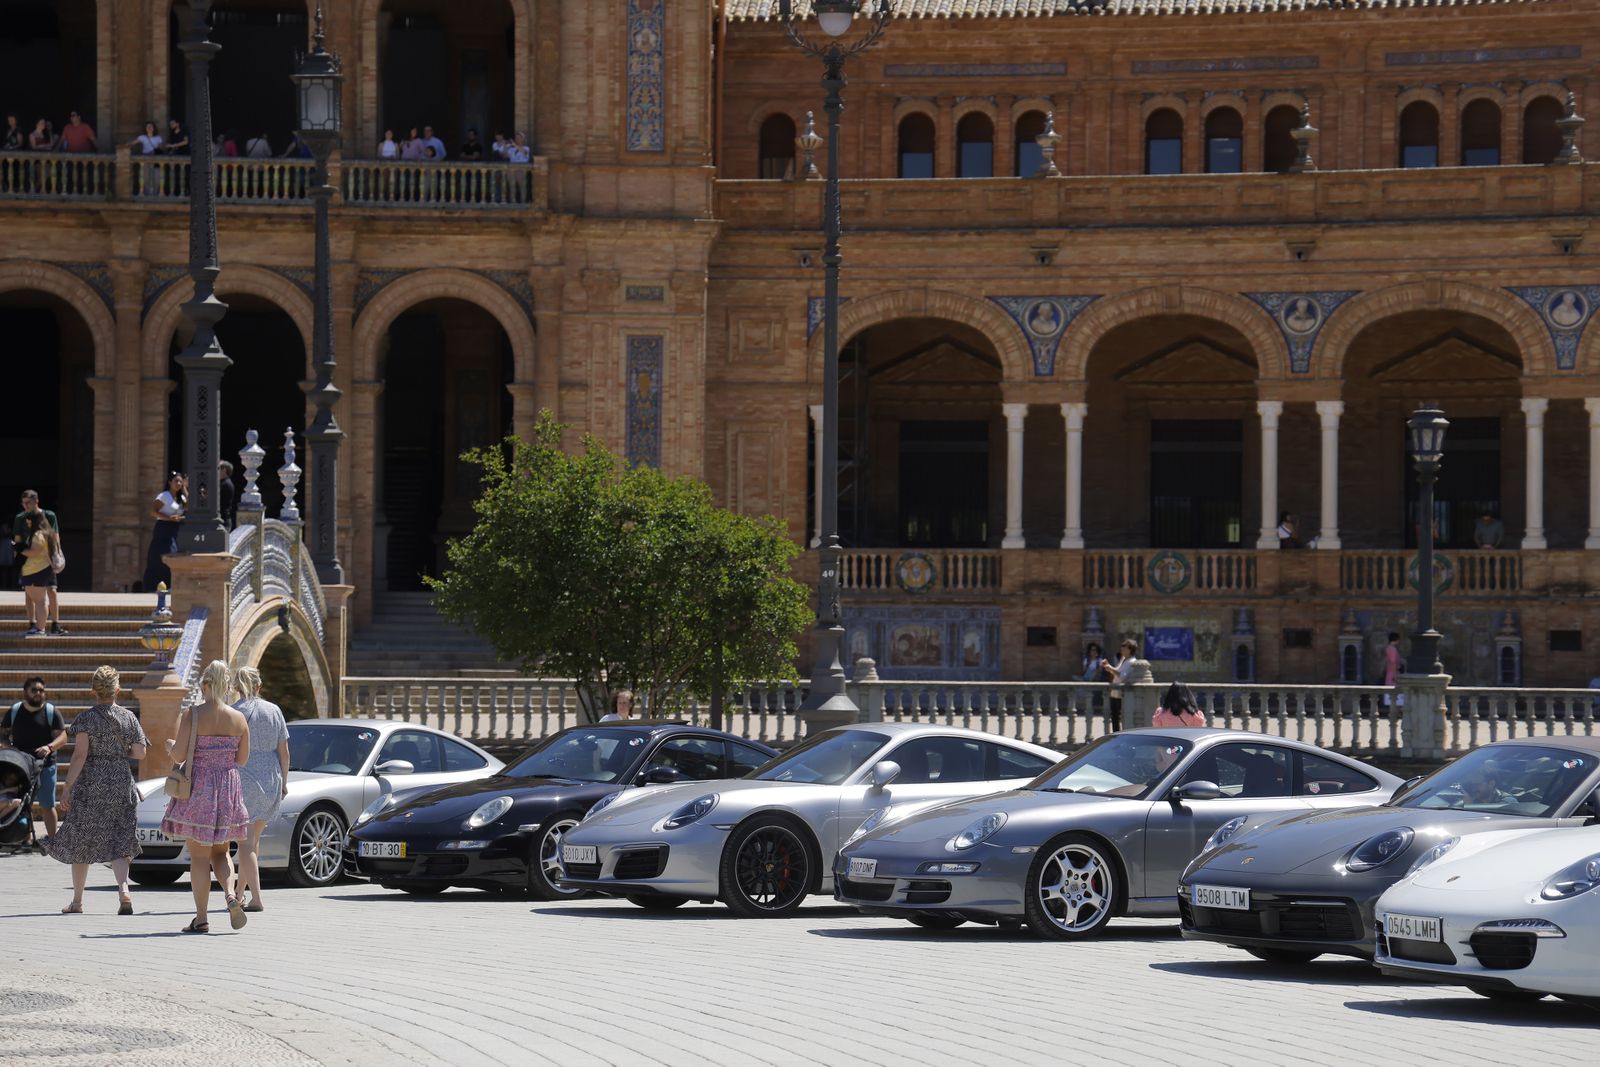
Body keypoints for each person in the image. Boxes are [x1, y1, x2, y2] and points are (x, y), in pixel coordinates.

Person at [44, 665, 149, 915]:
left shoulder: (85, 719)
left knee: (82, 838)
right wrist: (120, 751)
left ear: (94, 692)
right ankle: (124, 891)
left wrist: (67, 787)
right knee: (120, 838)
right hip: (121, 782)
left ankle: (77, 902)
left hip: (91, 784)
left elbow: (80, 755)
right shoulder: (129, 717)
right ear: (118, 690)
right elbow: (141, 753)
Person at [160, 660, 251, 934]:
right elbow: (242, 759)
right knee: (222, 853)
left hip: (199, 786)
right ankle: (231, 895)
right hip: (228, 786)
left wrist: (171, 746)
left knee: (199, 857)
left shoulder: (195, 714)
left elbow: (178, 756)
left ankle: (201, 918)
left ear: (207, 685)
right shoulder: (239, 718)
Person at [231, 666, 288, 914]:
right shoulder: (274, 710)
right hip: (270, 777)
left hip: (243, 776)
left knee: (245, 844)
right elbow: (284, 751)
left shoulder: (234, 711)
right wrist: (284, 781)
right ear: (258, 686)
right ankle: (241, 893)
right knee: (252, 842)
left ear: (236, 687)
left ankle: (256, 898)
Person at [2, 678, 66, 837]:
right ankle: (26, 838)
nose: (38, 693)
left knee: (47, 804)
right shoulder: (15, 711)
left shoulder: (51, 712)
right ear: (25, 692)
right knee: (24, 803)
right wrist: (10, 749)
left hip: (46, 765)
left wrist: (49, 747)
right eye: (34, 690)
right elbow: (2, 734)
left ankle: (52, 840)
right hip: (21, 766)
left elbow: (63, 736)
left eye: (41, 690)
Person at [14, 490, 66, 634]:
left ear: (36, 501)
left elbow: (55, 536)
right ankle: (33, 623)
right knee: (29, 594)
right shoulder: (20, 518)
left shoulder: (49, 515)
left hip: (46, 559)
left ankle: (55, 624)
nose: (25, 506)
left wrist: (57, 554)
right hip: (28, 560)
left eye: (28, 503)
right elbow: (18, 539)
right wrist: (19, 556)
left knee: (52, 590)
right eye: (23, 503)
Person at [142, 472, 186, 593]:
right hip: (164, 527)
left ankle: (170, 584)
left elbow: (187, 509)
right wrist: (168, 518)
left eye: (180, 481)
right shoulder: (164, 496)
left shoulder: (181, 497)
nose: (178, 484)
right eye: (176, 481)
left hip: (176, 528)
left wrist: (185, 490)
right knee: (163, 554)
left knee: (175, 554)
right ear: (169, 483)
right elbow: (153, 511)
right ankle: (154, 585)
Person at [1102, 639, 1153, 732]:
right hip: (1115, 692)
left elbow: (1122, 676)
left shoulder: (1131, 662)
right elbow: (1117, 671)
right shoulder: (1124, 660)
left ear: (1129, 649)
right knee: (1114, 717)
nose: (1122, 650)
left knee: (1119, 717)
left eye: (1124, 648)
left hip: (1121, 693)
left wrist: (1110, 668)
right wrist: (1109, 667)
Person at [217, 460, 236, 530]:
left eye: (218, 468)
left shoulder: (225, 484)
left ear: (224, 470)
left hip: (222, 521)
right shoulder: (224, 483)